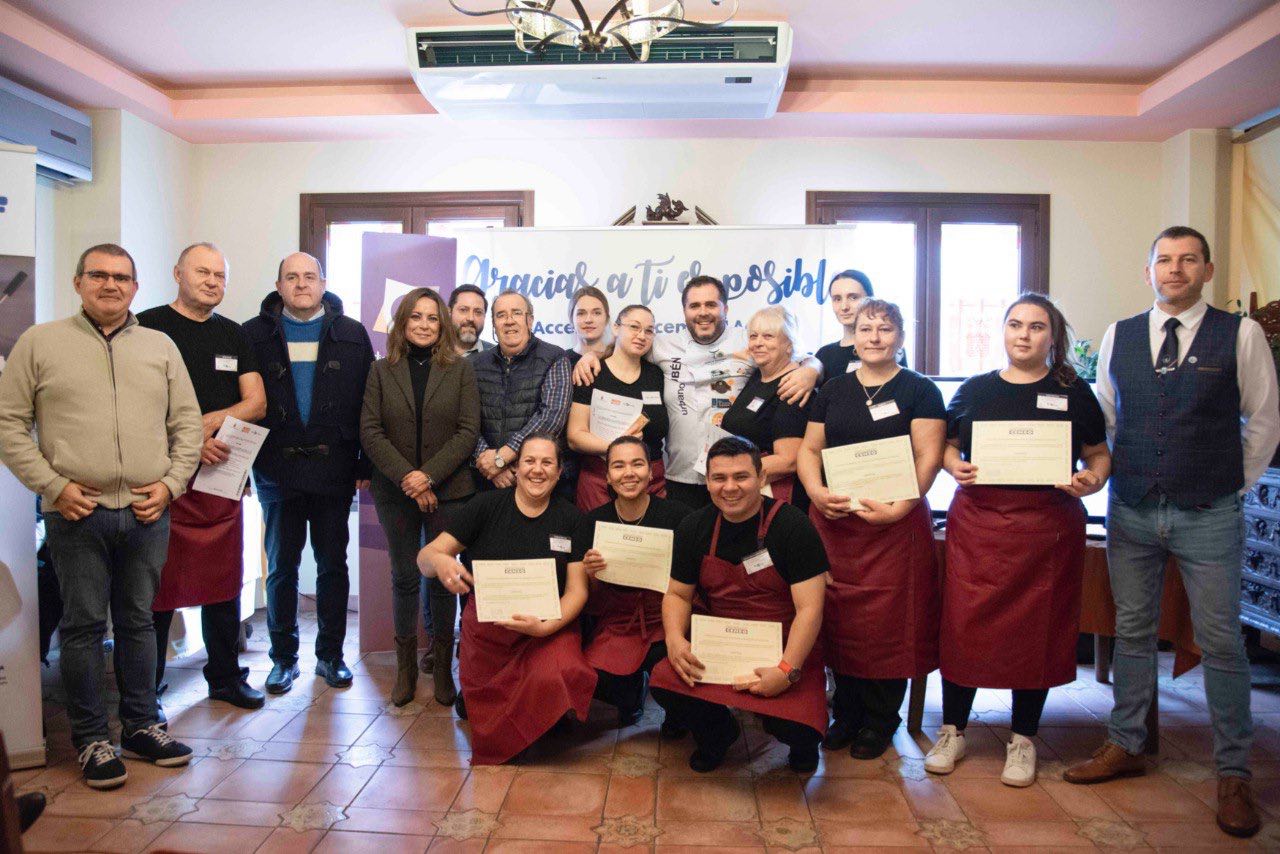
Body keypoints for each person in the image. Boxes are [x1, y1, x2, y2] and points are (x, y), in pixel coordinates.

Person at [1064, 226, 1280, 839]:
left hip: (1209, 511)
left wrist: (1233, 486)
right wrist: (1097, 474)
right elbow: (1107, 417)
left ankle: (1233, 773)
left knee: (1221, 641)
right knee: (1133, 632)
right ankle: (1127, 743)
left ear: (1207, 271)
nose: (1175, 269)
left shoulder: (1240, 334)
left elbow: (1264, 420)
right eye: (1164, 260)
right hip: (1132, 507)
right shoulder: (1121, 334)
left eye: (1188, 260)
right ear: (1149, 271)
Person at [0, 243, 201, 788]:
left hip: (146, 510)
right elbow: (8, 424)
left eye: (121, 277)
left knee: (138, 622)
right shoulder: (40, 343)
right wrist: (53, 487)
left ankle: (141, 726)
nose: (111, 285)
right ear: (78, 282)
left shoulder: (160, 346)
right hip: (76, 512)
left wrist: (171, 485)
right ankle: (91, 740)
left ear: (136, 287)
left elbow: (187, 424)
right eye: (99, 275)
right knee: (83, 626)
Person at [929, 294, 1110, 787]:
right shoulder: (975, 390)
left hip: (1047, 531)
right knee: (964, 625)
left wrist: (1092, 479)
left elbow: (1098, 454)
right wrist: (954, 465)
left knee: (1038, 632)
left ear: (1052, 337)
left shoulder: (1074, 392)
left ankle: (1024, 738)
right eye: (1015, 324)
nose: (1023, 334)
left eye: (1035, 326)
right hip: (980, 527)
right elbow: (947, 446)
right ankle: (953, 730)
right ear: (1003, 331)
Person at [797, 298, 945, 760]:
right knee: (839, 619)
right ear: (854, 335)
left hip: (895, 524)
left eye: (884, 329)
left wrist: (900, 508)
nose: (874, 337)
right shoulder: (833, 389)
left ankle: (881, 720)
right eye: (866, 329)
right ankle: (846, 714)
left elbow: (928, 457)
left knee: (888, 624)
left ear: (900, 337)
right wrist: (816, 493)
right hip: (837, 523)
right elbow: (809, 450)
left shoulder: (920, 390)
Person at [137, 242, 266, 713]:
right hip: (163, 476)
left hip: (221, 474)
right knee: (159, 587)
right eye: (202, 272)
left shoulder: (234, 333)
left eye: (219, 275)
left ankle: (226, 678)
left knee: (224, 583)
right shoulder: (146, 326)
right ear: (178, 274)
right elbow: (136, 404)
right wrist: (191, 440)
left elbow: (256, 403)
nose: (212, 282)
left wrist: (208, 423)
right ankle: (146, 690)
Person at [650, 436, 829, 773]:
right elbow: (677, 595)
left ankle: (800, 742)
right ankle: (718, 733)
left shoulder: (794, 526)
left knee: (800, 729)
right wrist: (674, 639)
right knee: (665, 683)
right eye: (719, 478)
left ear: (761, 478)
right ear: (707, 481)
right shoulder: (694, 527)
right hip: (720, 643)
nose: (729, 488)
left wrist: (786, 671)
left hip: (784, 644)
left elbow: (810, 610)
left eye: (741, 477)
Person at [418, 432, 595, 764]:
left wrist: (544, 628)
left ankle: (543, 712)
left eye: (547, 462)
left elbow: (577, 591)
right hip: (490, 632)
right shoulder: (484, 506)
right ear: (517, 467)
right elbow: (426, 556)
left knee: (564, 670)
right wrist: (441, 562)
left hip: (547, 627)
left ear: (559, 472)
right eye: (529, 461)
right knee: (498, 730)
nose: (537, 469)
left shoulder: (572, 519)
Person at [243, 252, 374, 694]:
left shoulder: (352, 334)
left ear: (323, 283)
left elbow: (368, 404)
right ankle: (283, 659)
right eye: (292, 277)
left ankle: (331, 656)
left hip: (334, 467)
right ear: (278, 285)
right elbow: (239, 402)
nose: (301, 284)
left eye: (309, 277)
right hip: (275, 467)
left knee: (332, 564)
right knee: (281, 566)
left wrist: (365, 461)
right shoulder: (252, 334)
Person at [574, 276, 821, 509]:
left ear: (725, 309)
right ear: (684, 311)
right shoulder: (661, 344)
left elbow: (794, 355)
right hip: (679, 477)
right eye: (694, 306)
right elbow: (625, 348)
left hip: (730, 479)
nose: (703, 312)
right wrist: (592, 355)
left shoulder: (748, 340)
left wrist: (812, 370)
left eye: (711, 304)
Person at [361, 287, 479, 707]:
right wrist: (408, 478)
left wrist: (428, 477)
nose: (425, 325)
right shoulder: (381, 370)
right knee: (405, 577)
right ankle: (406, 670)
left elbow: (468, 430)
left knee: (444, 580)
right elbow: (370, 431)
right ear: (402, 323)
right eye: (416, 317)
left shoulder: (461, 370)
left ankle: (444, 669)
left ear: (442, 323)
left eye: (432, 317)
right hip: (395, 491)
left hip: (450, 489)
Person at [571, 435, 689, 726]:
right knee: (594, 678)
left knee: (671, 678)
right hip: (618, 621)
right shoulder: (592, 522)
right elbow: (591, 597)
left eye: (637, 464)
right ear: (608, 477)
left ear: (650, 471)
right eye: (619, 466)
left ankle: (677, 715)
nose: (629, 473)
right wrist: (592, 573)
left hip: (665, 617)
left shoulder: (679, 517)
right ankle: (632, 694)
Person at [567, 304, 668, 510]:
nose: (641, 336)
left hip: (651, 482)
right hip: (600, 480)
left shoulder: (657, 375)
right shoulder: (591, 372)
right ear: (615, 327)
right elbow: (575, 437)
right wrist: (620, 450)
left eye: (649, 331)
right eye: (634, 327)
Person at [471, 291, 571, 494]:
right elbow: (465, 421)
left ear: (530, 320)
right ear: (494, 324)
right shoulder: (474, 364)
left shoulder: (555, 357)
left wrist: (503, 457)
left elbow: (551, 417)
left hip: (538, 479)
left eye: (516, 313)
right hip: (485, 481)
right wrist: (489, 463)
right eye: (501, 315)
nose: (509, 321)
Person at [720, 307, 810, 506]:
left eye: (768, 336)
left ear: (789, 344)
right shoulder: (758, 376)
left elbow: (789, 460)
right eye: (753, 336)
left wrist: (727, 468)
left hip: (773, 498)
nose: (758, 343)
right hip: (743, 491)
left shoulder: (793, 386)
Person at [815, 270, 907, 379]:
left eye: (853, 297)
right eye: (837, 299)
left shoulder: (886, 348)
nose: (844, 307)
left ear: (870, 300)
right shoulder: (824, 354)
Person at [450, 283, 493, 357]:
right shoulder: (433, 352)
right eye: (463, 310)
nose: (470, 318)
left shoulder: (496, 356)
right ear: (449, 312)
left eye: (478, 312)